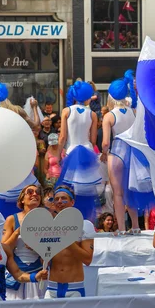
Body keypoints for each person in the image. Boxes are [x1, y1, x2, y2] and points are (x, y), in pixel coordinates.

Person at [58, 80, 101, 222]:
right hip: (87, 152)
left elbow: (63, 136)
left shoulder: (67, 111)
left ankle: (68, 221)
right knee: (86, 192)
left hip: (71, 151)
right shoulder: (92, 114)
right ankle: (86, 221)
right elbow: (93, 140)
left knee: (68, 189)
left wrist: (58, 154)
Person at [103, 72, 139, 232]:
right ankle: (136, 226)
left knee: (118, 194)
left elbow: (105, 142)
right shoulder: (133, 111)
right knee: (130, 191)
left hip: (117, 152)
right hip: (132, 152)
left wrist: (104, 154)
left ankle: (122, 229)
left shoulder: (109, 116)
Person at [44, 185, 95, 298]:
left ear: (72, 202)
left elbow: (87, 260)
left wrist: (65, 238)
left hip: (74, 288)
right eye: (56, 199)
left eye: (63, 198)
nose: (60, 201)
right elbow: (45, 259)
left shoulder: (85, 225)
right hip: (51, 287)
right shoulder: (48, 226)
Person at [1, 185, 44, 300]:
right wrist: (18, 232)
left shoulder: (46, 219)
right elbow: (3, 249)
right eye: (30, 192)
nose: (35, 194)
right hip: (16, 275)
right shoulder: (11, 219)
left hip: (37, 275)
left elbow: (51, 249)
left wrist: (37, 247)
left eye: (38, 192)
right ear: (22, 199)